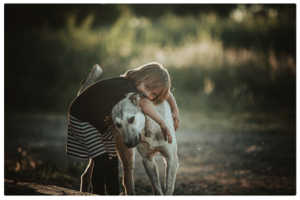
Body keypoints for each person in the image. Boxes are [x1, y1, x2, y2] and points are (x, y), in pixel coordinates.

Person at [65, 62, 180, 195]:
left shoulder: (138, 87)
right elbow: (143, 103)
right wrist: (162, 123)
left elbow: (166, 94)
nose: (146, 94)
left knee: (112, 160)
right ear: (140, 76)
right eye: (147, 87)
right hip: (83, 118)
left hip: (103, 121)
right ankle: (96, 194)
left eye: (153, 94)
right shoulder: (127, 86)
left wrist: (175, 109)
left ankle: (113, 193)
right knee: (101, 159)